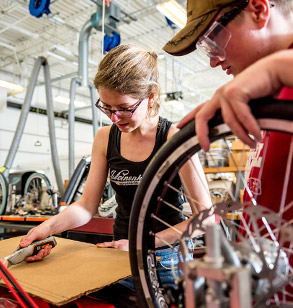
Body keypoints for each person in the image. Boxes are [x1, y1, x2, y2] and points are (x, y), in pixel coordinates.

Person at [19, 44, 212, 307]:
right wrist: (47, 227)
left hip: (167, 260)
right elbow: (87, 207)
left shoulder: (174, 138)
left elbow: (205, 218)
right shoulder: (105, 138)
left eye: (124, 107)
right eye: (107, 107)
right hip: (119, 255)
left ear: (152, 96)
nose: (115, 117)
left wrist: (141, 244)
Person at [163, 0, 293, 299]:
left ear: (258, 10)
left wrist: (274, 69)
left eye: (211, 40)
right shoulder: (267, 99)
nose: (212, 60)